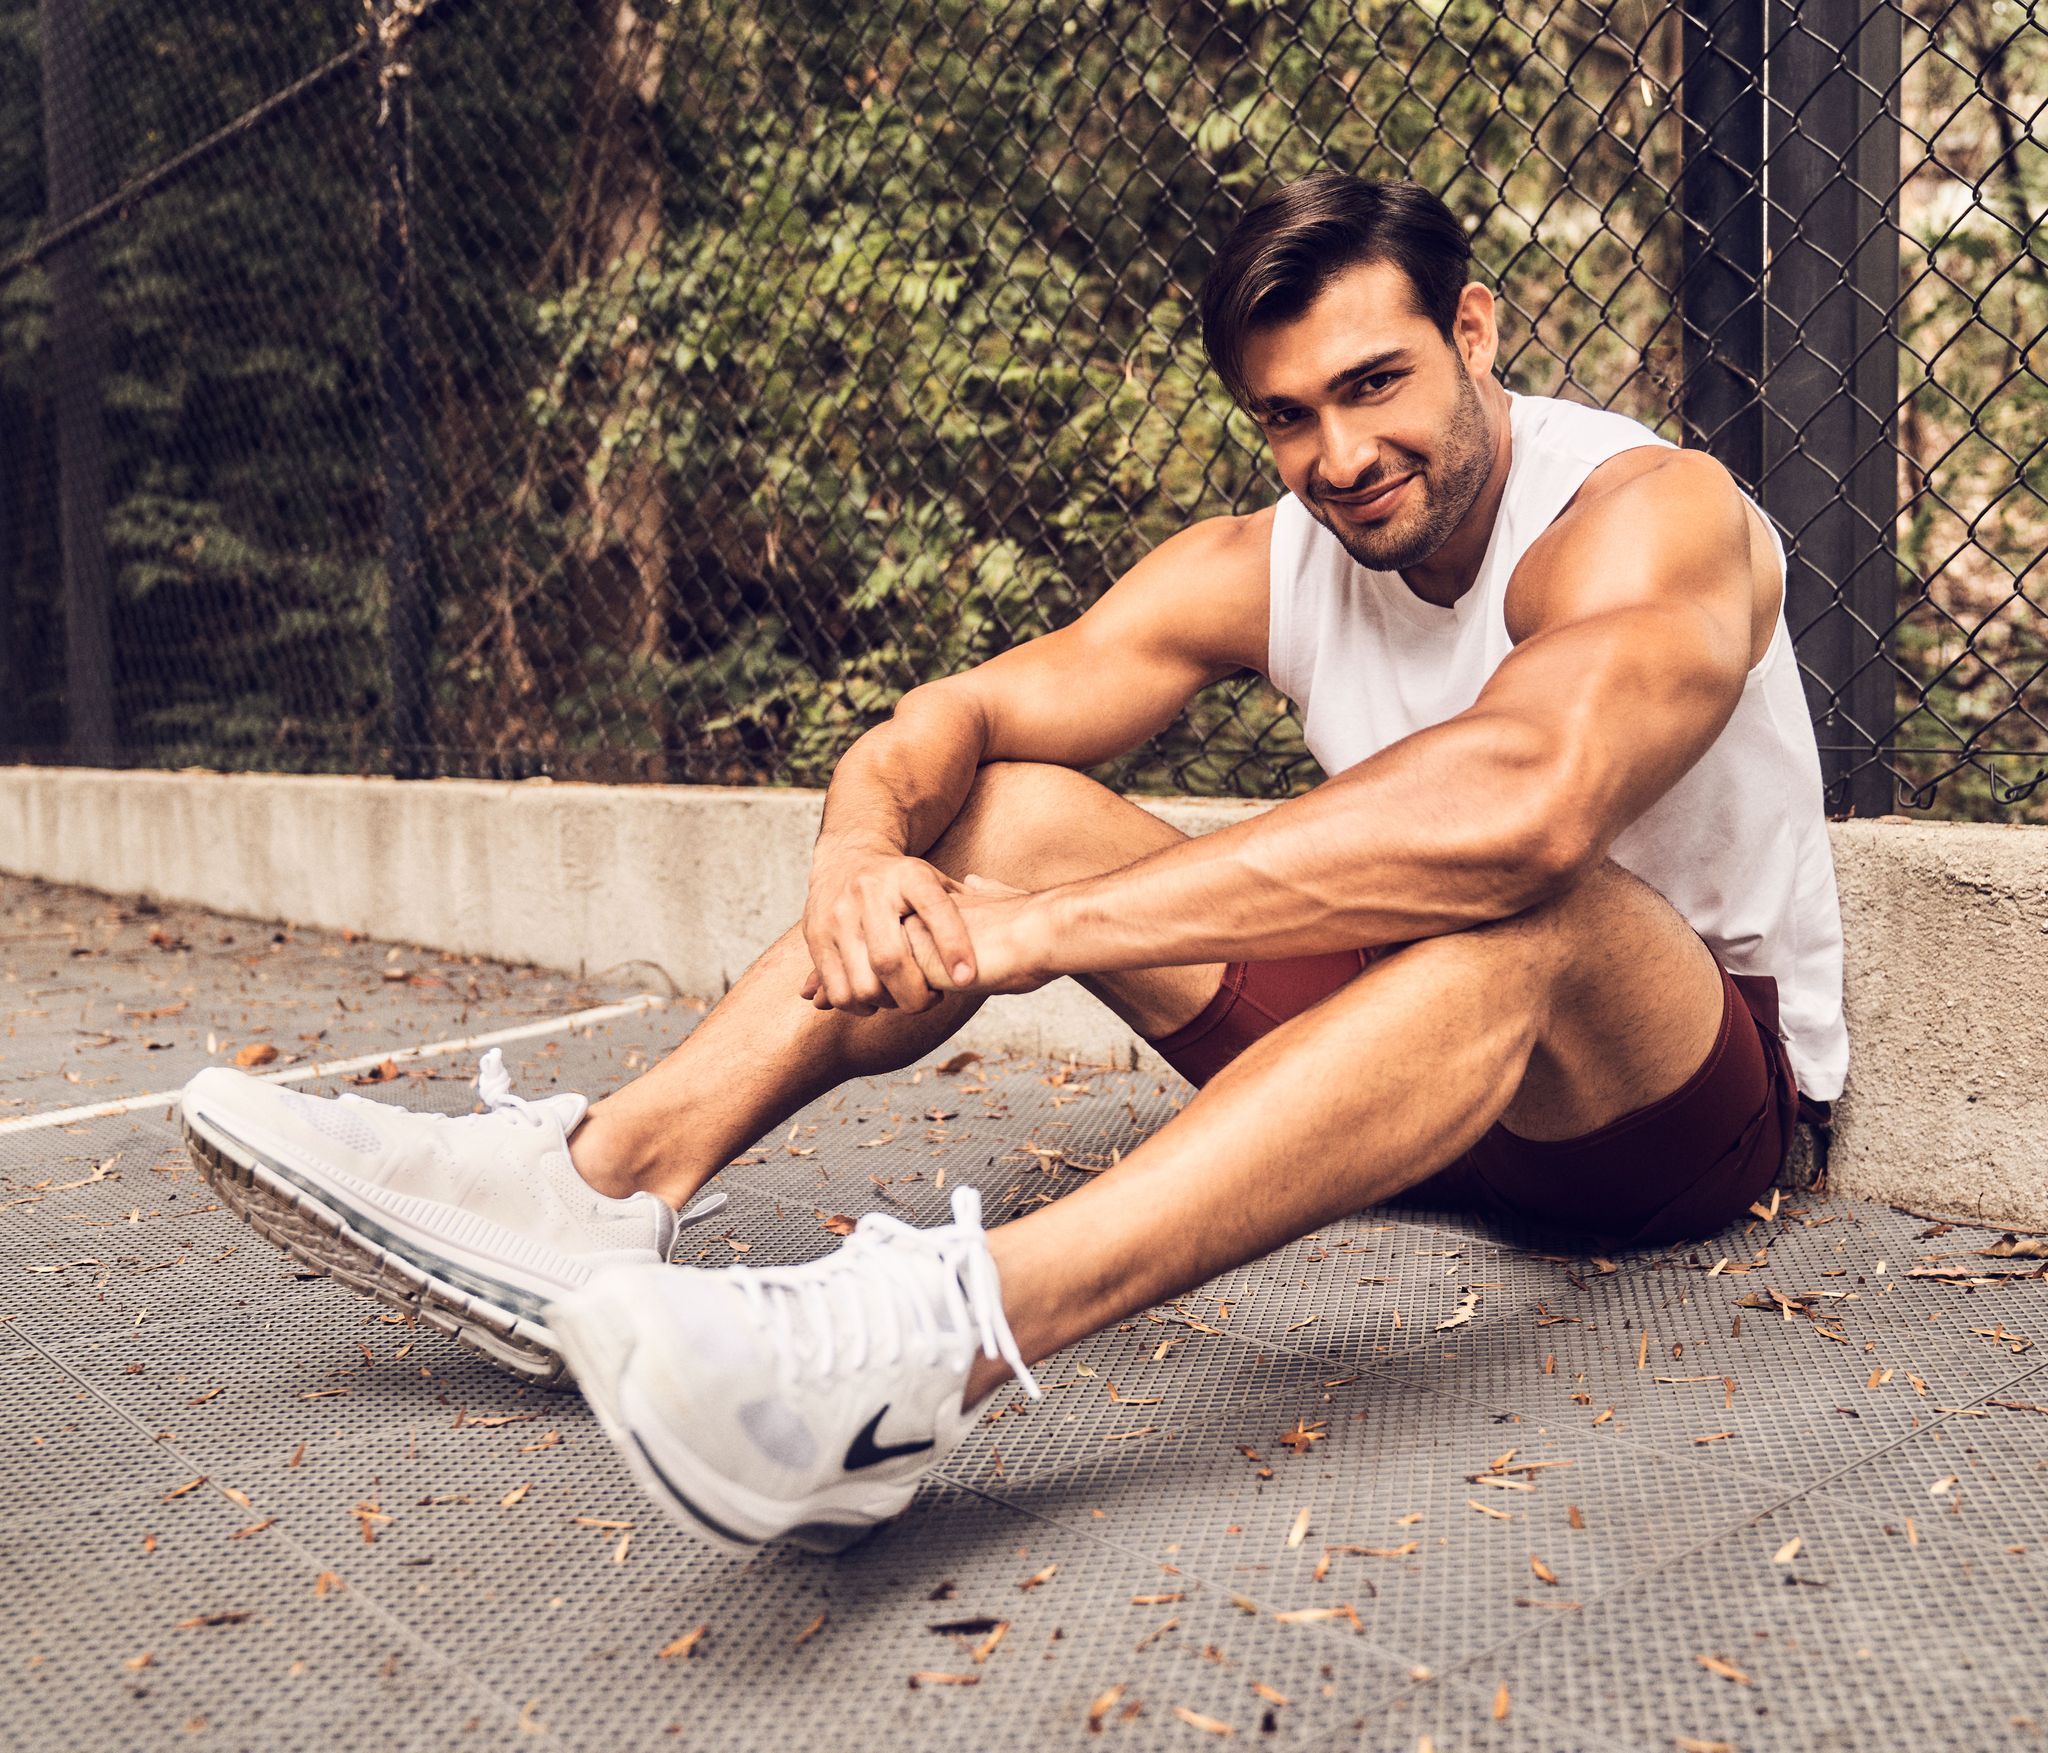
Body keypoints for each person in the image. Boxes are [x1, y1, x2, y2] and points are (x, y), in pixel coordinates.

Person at [182, 173, 1846, 1555]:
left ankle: (928, 1353)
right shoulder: (1274, 557)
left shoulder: (1646, 514)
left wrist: (1047, 933)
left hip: (1676, 1105)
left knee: (1523, 903)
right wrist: (856, 847)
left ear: (1472, 331)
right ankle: (597, 1185)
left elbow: (1529, 802)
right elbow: (962, 717)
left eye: (1375, 384)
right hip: (1417, 1068)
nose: (1337, 457)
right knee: (1001, 807)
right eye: (1286, 416)